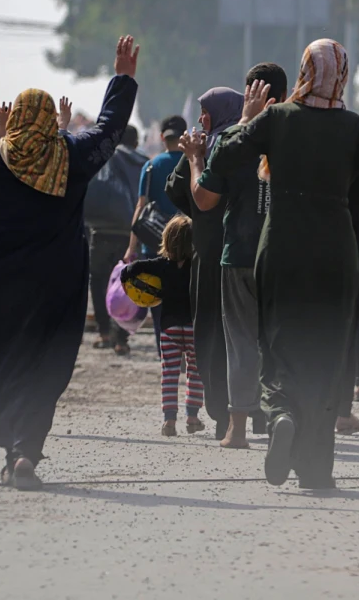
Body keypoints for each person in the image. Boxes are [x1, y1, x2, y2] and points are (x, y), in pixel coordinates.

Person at [0, 34, 138, 490]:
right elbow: (110, 129)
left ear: (14, 119)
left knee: (1, 359)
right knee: (45, 361)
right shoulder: (72, 158)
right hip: (55, 281)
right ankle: (24, 450)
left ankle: (10, 446)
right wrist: (122, 77)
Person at [206, 39, 359, 491]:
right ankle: (316, 469)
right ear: (343, 76)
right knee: (327, 355)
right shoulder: (355, 128)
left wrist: (247, 118)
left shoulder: (277, 119)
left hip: (281, 250)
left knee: (278, 344)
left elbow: (221, 158)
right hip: (335, 255)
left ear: (303, 71)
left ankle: (281, 414)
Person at [179, 66, 288, 449]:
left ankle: (237, 428)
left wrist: (195, 157)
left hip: (239, 253)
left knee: (240, 341)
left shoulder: (232, 138)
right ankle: (282, 417)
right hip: (283, 252)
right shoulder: (295, 133)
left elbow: (204, 199)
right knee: (279, 340)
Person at [167, 87, 243, 440]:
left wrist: (192, 156)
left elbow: (180, 191)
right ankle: (238, 413)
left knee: (213, 336)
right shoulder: (238, 142)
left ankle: (225, 412)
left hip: (215, 256)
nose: (200, 120)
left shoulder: (220, 148)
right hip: (232, 253)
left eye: (205, 113)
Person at [123, 214, 204, 436]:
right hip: (193, 327)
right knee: (195, 372)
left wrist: (129, 284)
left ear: (166, 241)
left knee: (169, 373)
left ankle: (169, 421)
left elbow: (131, 269)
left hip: (168, 328)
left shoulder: (161, 265)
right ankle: (192, 417)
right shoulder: (197, 265)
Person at [123, 114, 188, 357]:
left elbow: (141, 208)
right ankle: (187, 351)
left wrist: (132, 246)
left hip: (156, 245)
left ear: (162, 138)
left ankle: (166, 352)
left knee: (158, 299)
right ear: (185, 135)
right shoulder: (194, 162)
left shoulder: (151, 165)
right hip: (190, 244)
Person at [84, 124, 147, 354]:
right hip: (130, 236)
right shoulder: (143, 162)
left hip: (101, 232)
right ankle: (122, 339)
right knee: (129, 286)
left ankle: (104, 333)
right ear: (136, 143)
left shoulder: (104, 157)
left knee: (99, 282)